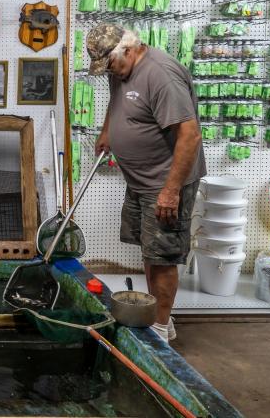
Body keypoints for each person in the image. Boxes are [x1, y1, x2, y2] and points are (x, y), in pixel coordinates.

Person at [86, 23, 205, 344]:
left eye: (110, 64)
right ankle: (157, 317)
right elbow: (118, 101)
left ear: (127, 49)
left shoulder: (161, 75)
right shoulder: (121, 70)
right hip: (140, 180)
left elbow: (190, 135)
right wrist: (108, 131)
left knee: (163, 256)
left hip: (164, 183)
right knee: (151, 250)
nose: (110, 72)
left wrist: (171, 191)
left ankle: (161, 330)